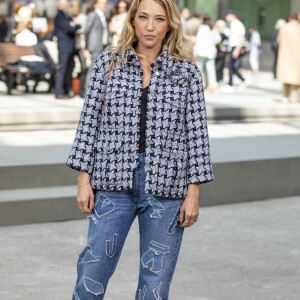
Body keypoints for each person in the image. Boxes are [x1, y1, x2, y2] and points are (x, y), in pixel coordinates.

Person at [66, 0, 214, 298]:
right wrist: (84, 180)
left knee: (155, 283)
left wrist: (193, 192)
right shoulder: (108, 64)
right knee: (91, 272)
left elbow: (196, 134)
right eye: (143, 17)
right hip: (111, 182)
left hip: (167, 186)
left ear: (169, 24)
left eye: (158, 19)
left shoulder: (186, 72)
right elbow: (88, 124)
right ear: (132, 20)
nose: (150, 26)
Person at [54, 0, 81, 99]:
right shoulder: (59, 16)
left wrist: (74, 26)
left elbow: (74, 26)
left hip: (70, 47)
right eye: (65, 4)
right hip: (64, 47)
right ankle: (59, 91)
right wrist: (73, 26)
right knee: (62, 69)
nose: (67, 6)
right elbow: (70, 28)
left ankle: (65, 91)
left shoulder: (66, 16)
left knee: (68, 70)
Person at [276, 13, 300, 103]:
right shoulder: (298, 28)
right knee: (295, 78)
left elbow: (278, 40)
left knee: (285, 78)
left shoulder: (284, 28)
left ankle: (285, 96)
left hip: (285, 55)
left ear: (290, 18)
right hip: (297, 56)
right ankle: (294, 96)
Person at [194, 14, 221, 92]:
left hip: (202, 51)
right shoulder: (212, 28)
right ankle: (212, 84)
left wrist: (196, 51)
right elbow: (218, 39)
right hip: (211, 51)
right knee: (211, 69)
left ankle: (198, 85)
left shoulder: (201, 28)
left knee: (199, 69)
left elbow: (199, 41)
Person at [85, 0, 109, 87]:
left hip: (103, 46)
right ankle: (87, 91)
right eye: (101, 3)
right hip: (95, 46)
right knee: (92, 69)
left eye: (105, 3)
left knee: (100, 69)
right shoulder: (93, 15)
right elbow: (86, 31)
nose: (104, 5)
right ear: (96, 5)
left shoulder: (103, 16)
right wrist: (86, 47)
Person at [224, 9, 247, 91]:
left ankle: (231, 83)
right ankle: (239, 80)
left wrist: (237, 49)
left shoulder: (238, 24)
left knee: (232, 66)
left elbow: (242, 38)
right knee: (231, 66)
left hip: (235, 47)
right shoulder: (232, 24)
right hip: (232, 47)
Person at [214, 19, 228, 84]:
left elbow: (225, 44)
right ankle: (216, 79)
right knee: (216, 67)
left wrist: (224, 47)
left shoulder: (224, 35)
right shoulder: (215, 33)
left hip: (221, 54)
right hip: (216, 53)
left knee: (220, 67)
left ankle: (220, 79)